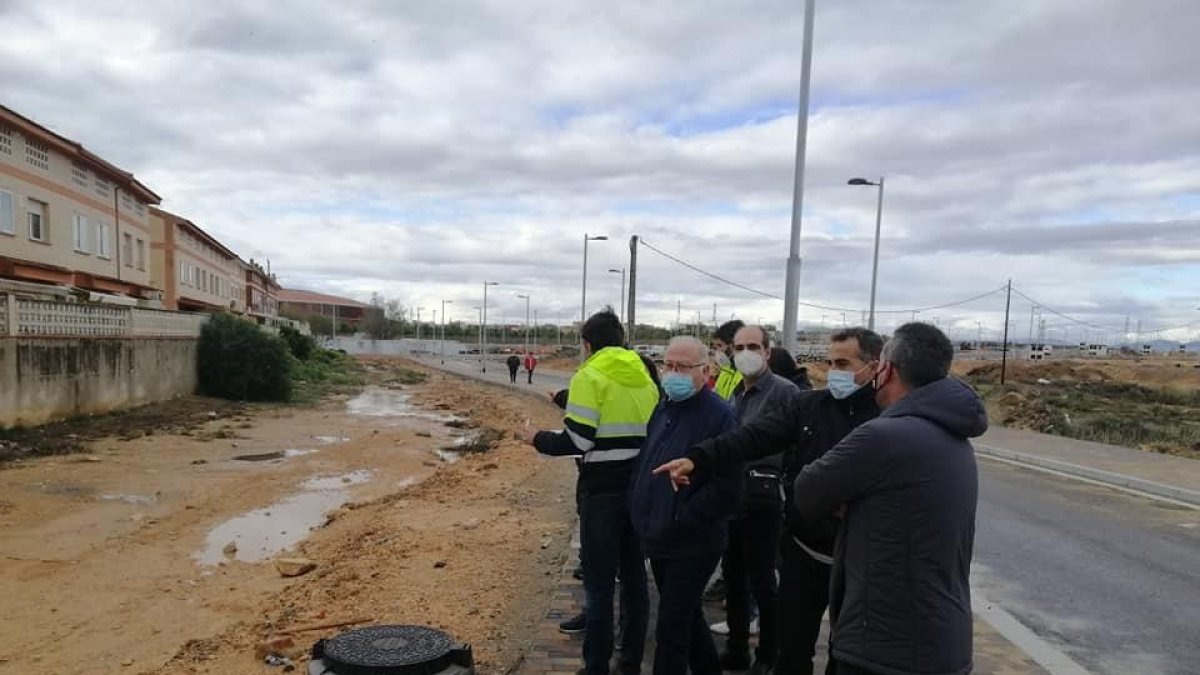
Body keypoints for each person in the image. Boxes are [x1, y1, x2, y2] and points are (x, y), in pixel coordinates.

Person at [654, 328, 884, 675]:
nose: (834, 371)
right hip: (805, 551)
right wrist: (699, 458)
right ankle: (752, 652)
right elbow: (749, 437)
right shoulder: (809, 406)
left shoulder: (888, 418)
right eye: (830, 361)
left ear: (875, 366)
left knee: (846, 653)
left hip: (859, 559)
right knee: (791, 651)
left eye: (843, 363)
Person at [792, 323, 985, 675]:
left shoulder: (884, 436)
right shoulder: (956, 437)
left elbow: (807, 491)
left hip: (884, 646)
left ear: (887, 370)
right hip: (943, 641)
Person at [520, 310, 659, 675]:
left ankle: (595, 666)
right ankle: (629, 662)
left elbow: (578, 440)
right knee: (634, 581)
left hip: (602, 492)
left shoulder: (589, 375)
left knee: (598, 586)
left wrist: (536, 438)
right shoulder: (643, 374)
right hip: (639, 486)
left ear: (587, 344)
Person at [630, 336, 741, 675]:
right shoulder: (664, 406)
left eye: (682, 367)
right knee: (688, 617)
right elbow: (648, 461)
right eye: (669, 365)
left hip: (693, 541)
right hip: (661, 535)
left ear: (704, 371)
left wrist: (682, 516)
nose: (672, 373)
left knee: (671, 631)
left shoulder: (720, 416)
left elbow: (730, 487)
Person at [712, 326, 798, 675]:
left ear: (767, 351)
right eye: (739, 347)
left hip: (764, 497)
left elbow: (793, 446)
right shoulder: (737, 392)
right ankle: (736, 648)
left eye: (753, 346)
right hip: (734, 494)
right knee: (734, 577)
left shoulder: (784, 392)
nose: (745, 353)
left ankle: (768, 653)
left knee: (762, 577)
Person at [709, 320, 745, 400]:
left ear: (734, 345)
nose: (717, 351)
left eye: (720, 345)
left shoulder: (748, 375)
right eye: (715, 347)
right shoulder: (725, 370)